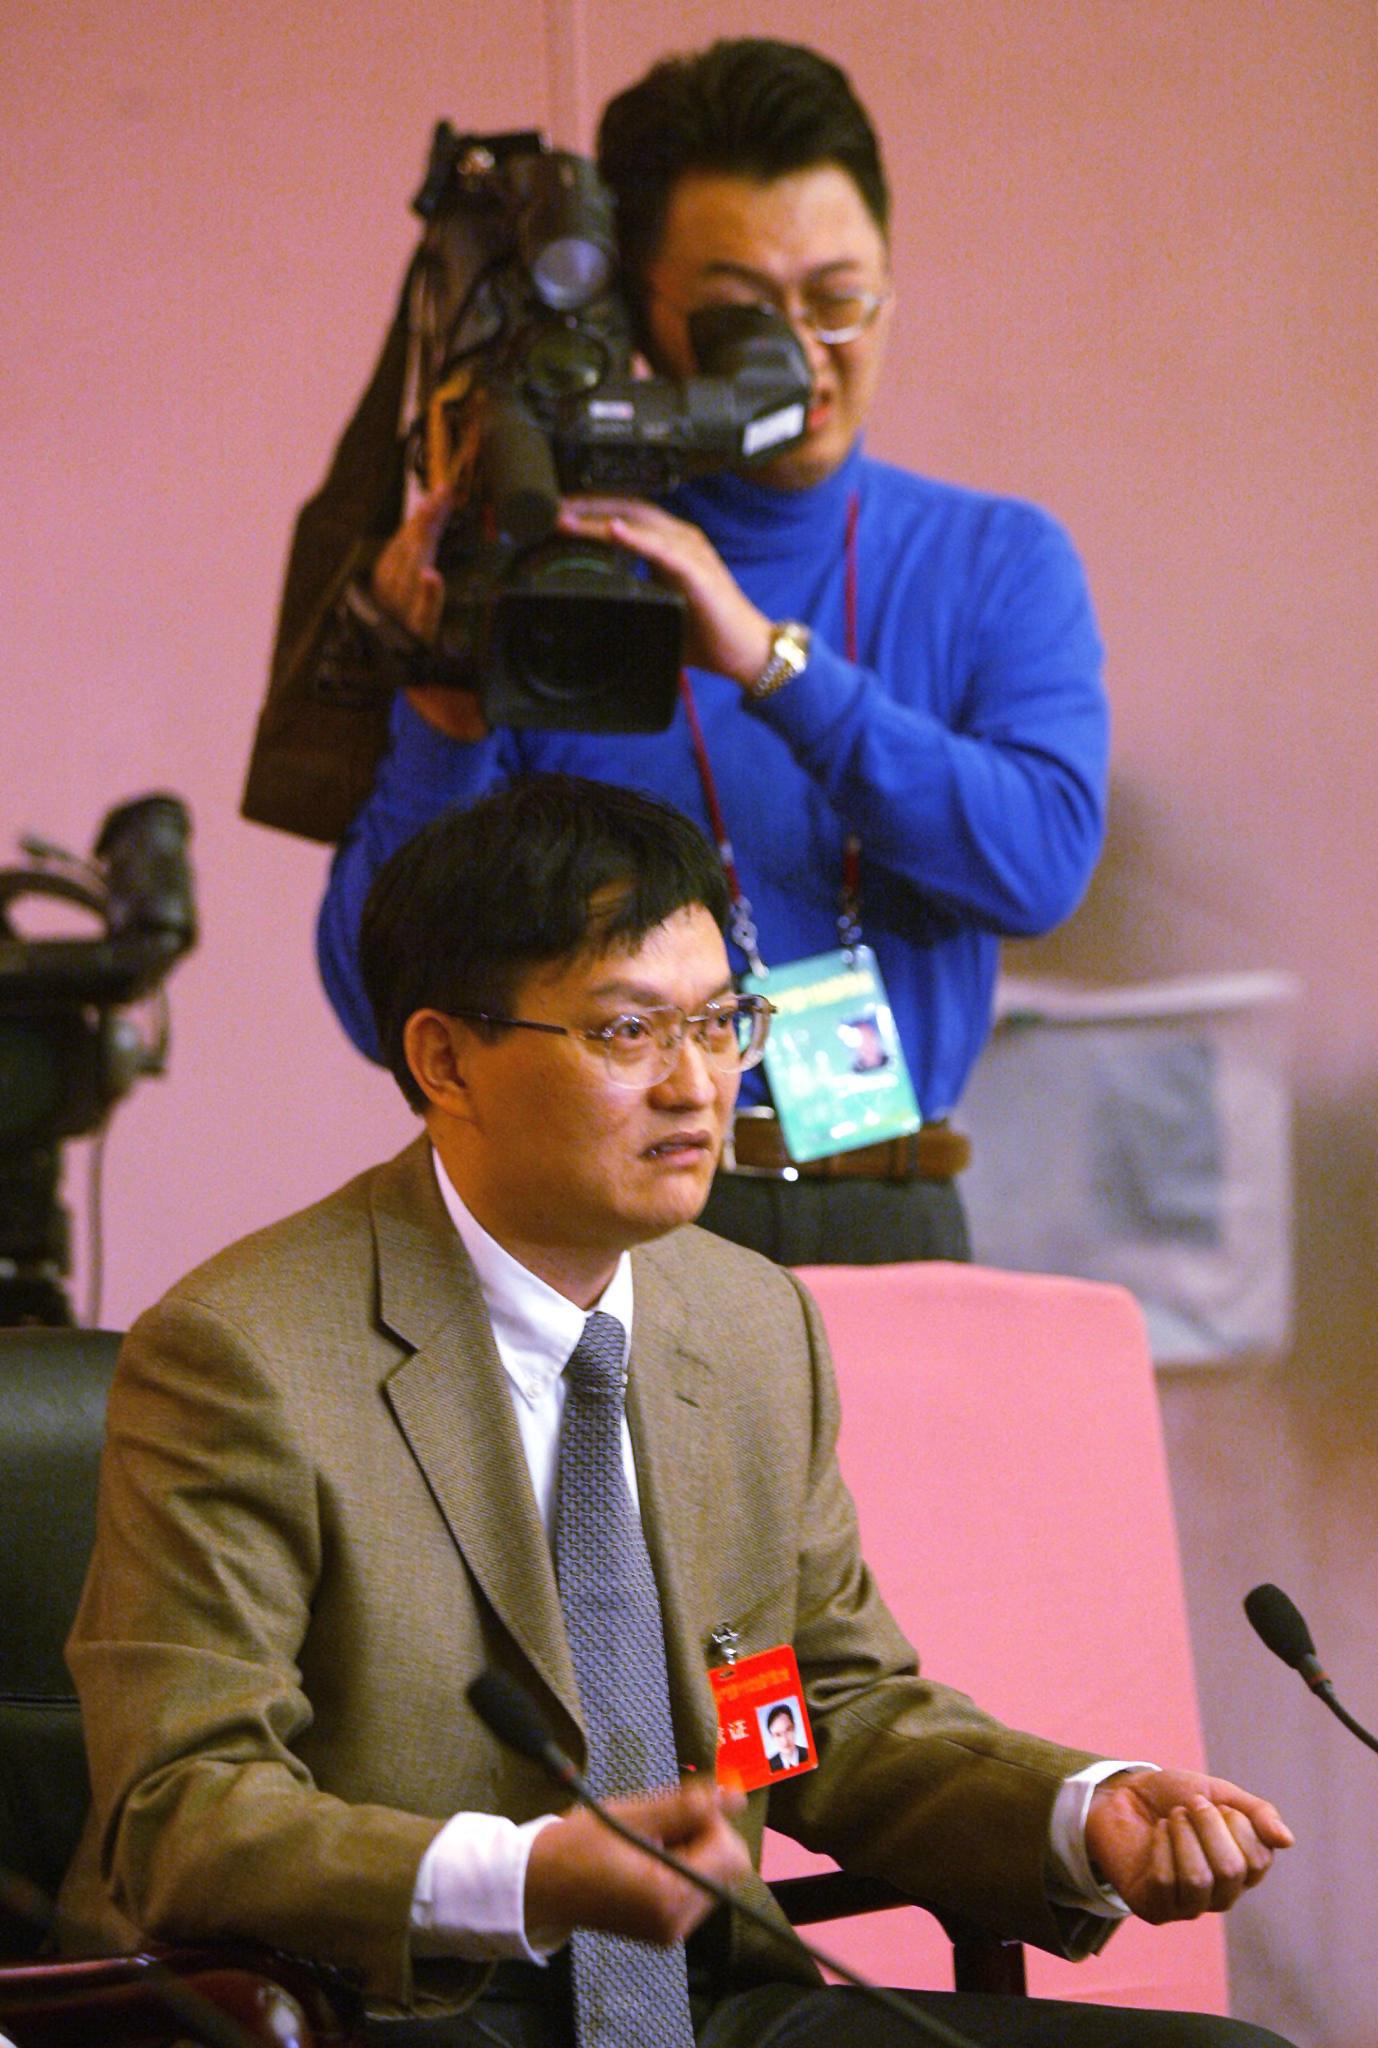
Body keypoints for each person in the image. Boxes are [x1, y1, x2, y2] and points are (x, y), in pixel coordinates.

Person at [64, 776, 1292, 2047]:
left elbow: (813, 1713)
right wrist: (528, 1875)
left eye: (719, 1023)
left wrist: (1078, 1811)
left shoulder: (751, 1321)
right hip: (399, 2002)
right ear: (444, 1059)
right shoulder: (245, 1350)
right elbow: (180, 1808)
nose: (696, 1085)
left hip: (709, 2003)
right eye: (626, 1031)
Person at [266, 35, 1108, 1270]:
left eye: (839, 299)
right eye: (738, 315)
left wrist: (774, 666)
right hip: (618, 1231)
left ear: (891, 280)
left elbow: (1037, 867)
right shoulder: (550, 568)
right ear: (639, 311)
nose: (801, 358)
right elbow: (378, 1004)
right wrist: (442, 717)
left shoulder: (994, 558)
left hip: (894, 1204)